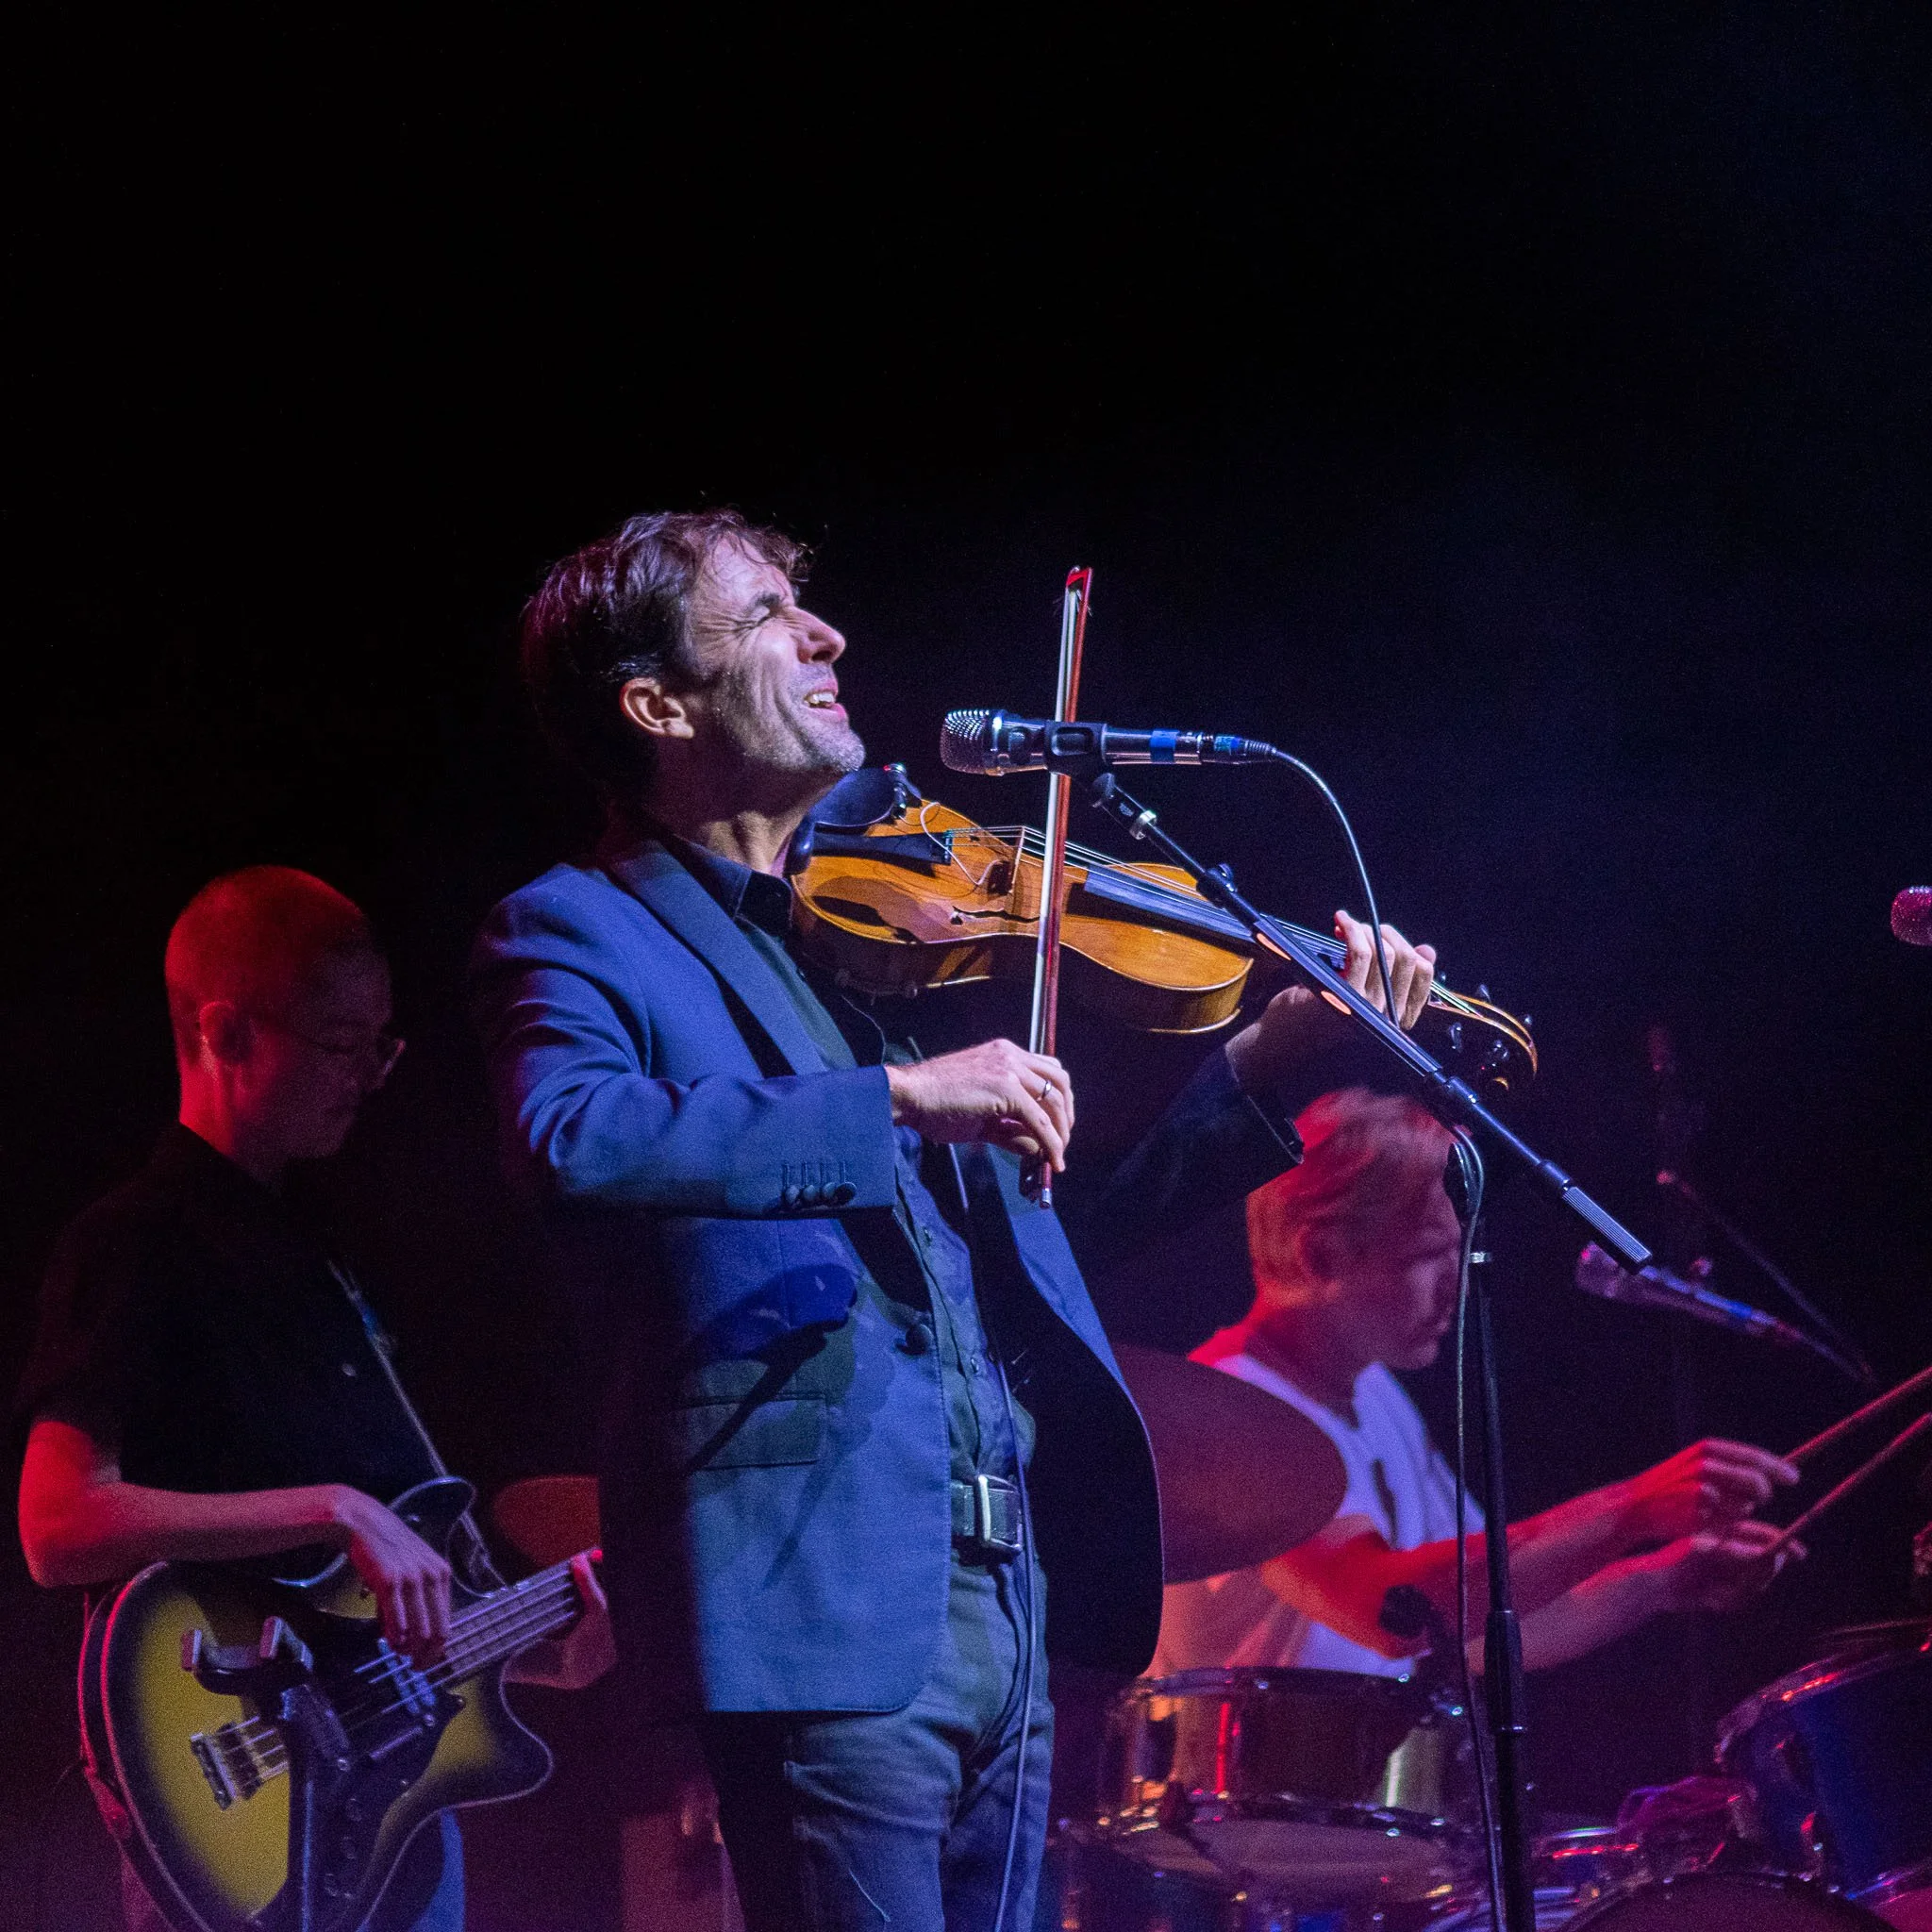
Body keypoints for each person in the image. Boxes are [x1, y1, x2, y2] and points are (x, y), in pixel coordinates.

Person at [468, 508, 1439, 1931]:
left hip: (1004, 1610)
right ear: (656, 703)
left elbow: (1052, 1236)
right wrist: (903, 1105)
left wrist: (1265, 1066)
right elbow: (575, 1137)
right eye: (764, 618)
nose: (826, 636)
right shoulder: (575, 928)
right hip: (819, 1620)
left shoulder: (854, 959)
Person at [16, 866, 613, 1932]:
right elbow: (57, 1524)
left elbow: (384, 1599)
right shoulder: (136, 1241)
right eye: (341, 1043)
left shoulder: (332, 1255)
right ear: (225, 1031)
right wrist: (337, 1506)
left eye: (380, 1044)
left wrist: (529, 1641)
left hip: (397, 1810)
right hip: (242, 1793)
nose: (368, 1076)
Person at [1154, 1087, 1803, 1682]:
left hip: (1336, 1809)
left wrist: (1661, 1578)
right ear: (1320, 1255)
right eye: (1429, 1254)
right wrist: (1629, 1509)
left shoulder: (1374, 1392)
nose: (1456, 1285)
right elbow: (1391, 1610)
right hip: (1233, 1810)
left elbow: (1474, 1619)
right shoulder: (1232, 1409)